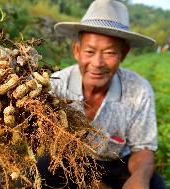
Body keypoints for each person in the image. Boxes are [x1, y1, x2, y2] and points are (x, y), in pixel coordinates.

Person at [37, 0, 166, 188]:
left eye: (109, 53)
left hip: (117, 164)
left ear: (124, 53)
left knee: (154, 183)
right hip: (72, 159)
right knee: (42, 170)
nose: (97, 63)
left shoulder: (138, 90)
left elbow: (142, 148)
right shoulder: (56, 85)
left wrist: (139, 177)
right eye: (89, 51)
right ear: (77, 50)